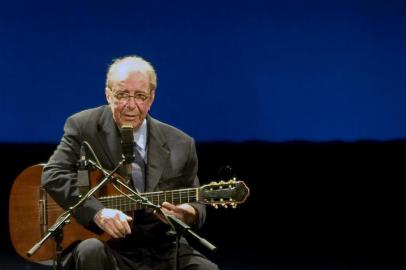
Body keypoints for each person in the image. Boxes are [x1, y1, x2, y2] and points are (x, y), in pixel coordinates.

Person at [41, 55, 218, 270]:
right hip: (106, 245)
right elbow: (54, 174)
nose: (131, 105)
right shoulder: (84, 127)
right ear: (108, 94)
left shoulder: (181, 143)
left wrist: (189, 212)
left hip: (161, 248)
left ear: (151, 98)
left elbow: (197, 199)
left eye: (140, 96)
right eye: (123, 95)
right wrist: (96, 212)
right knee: (90, 251)